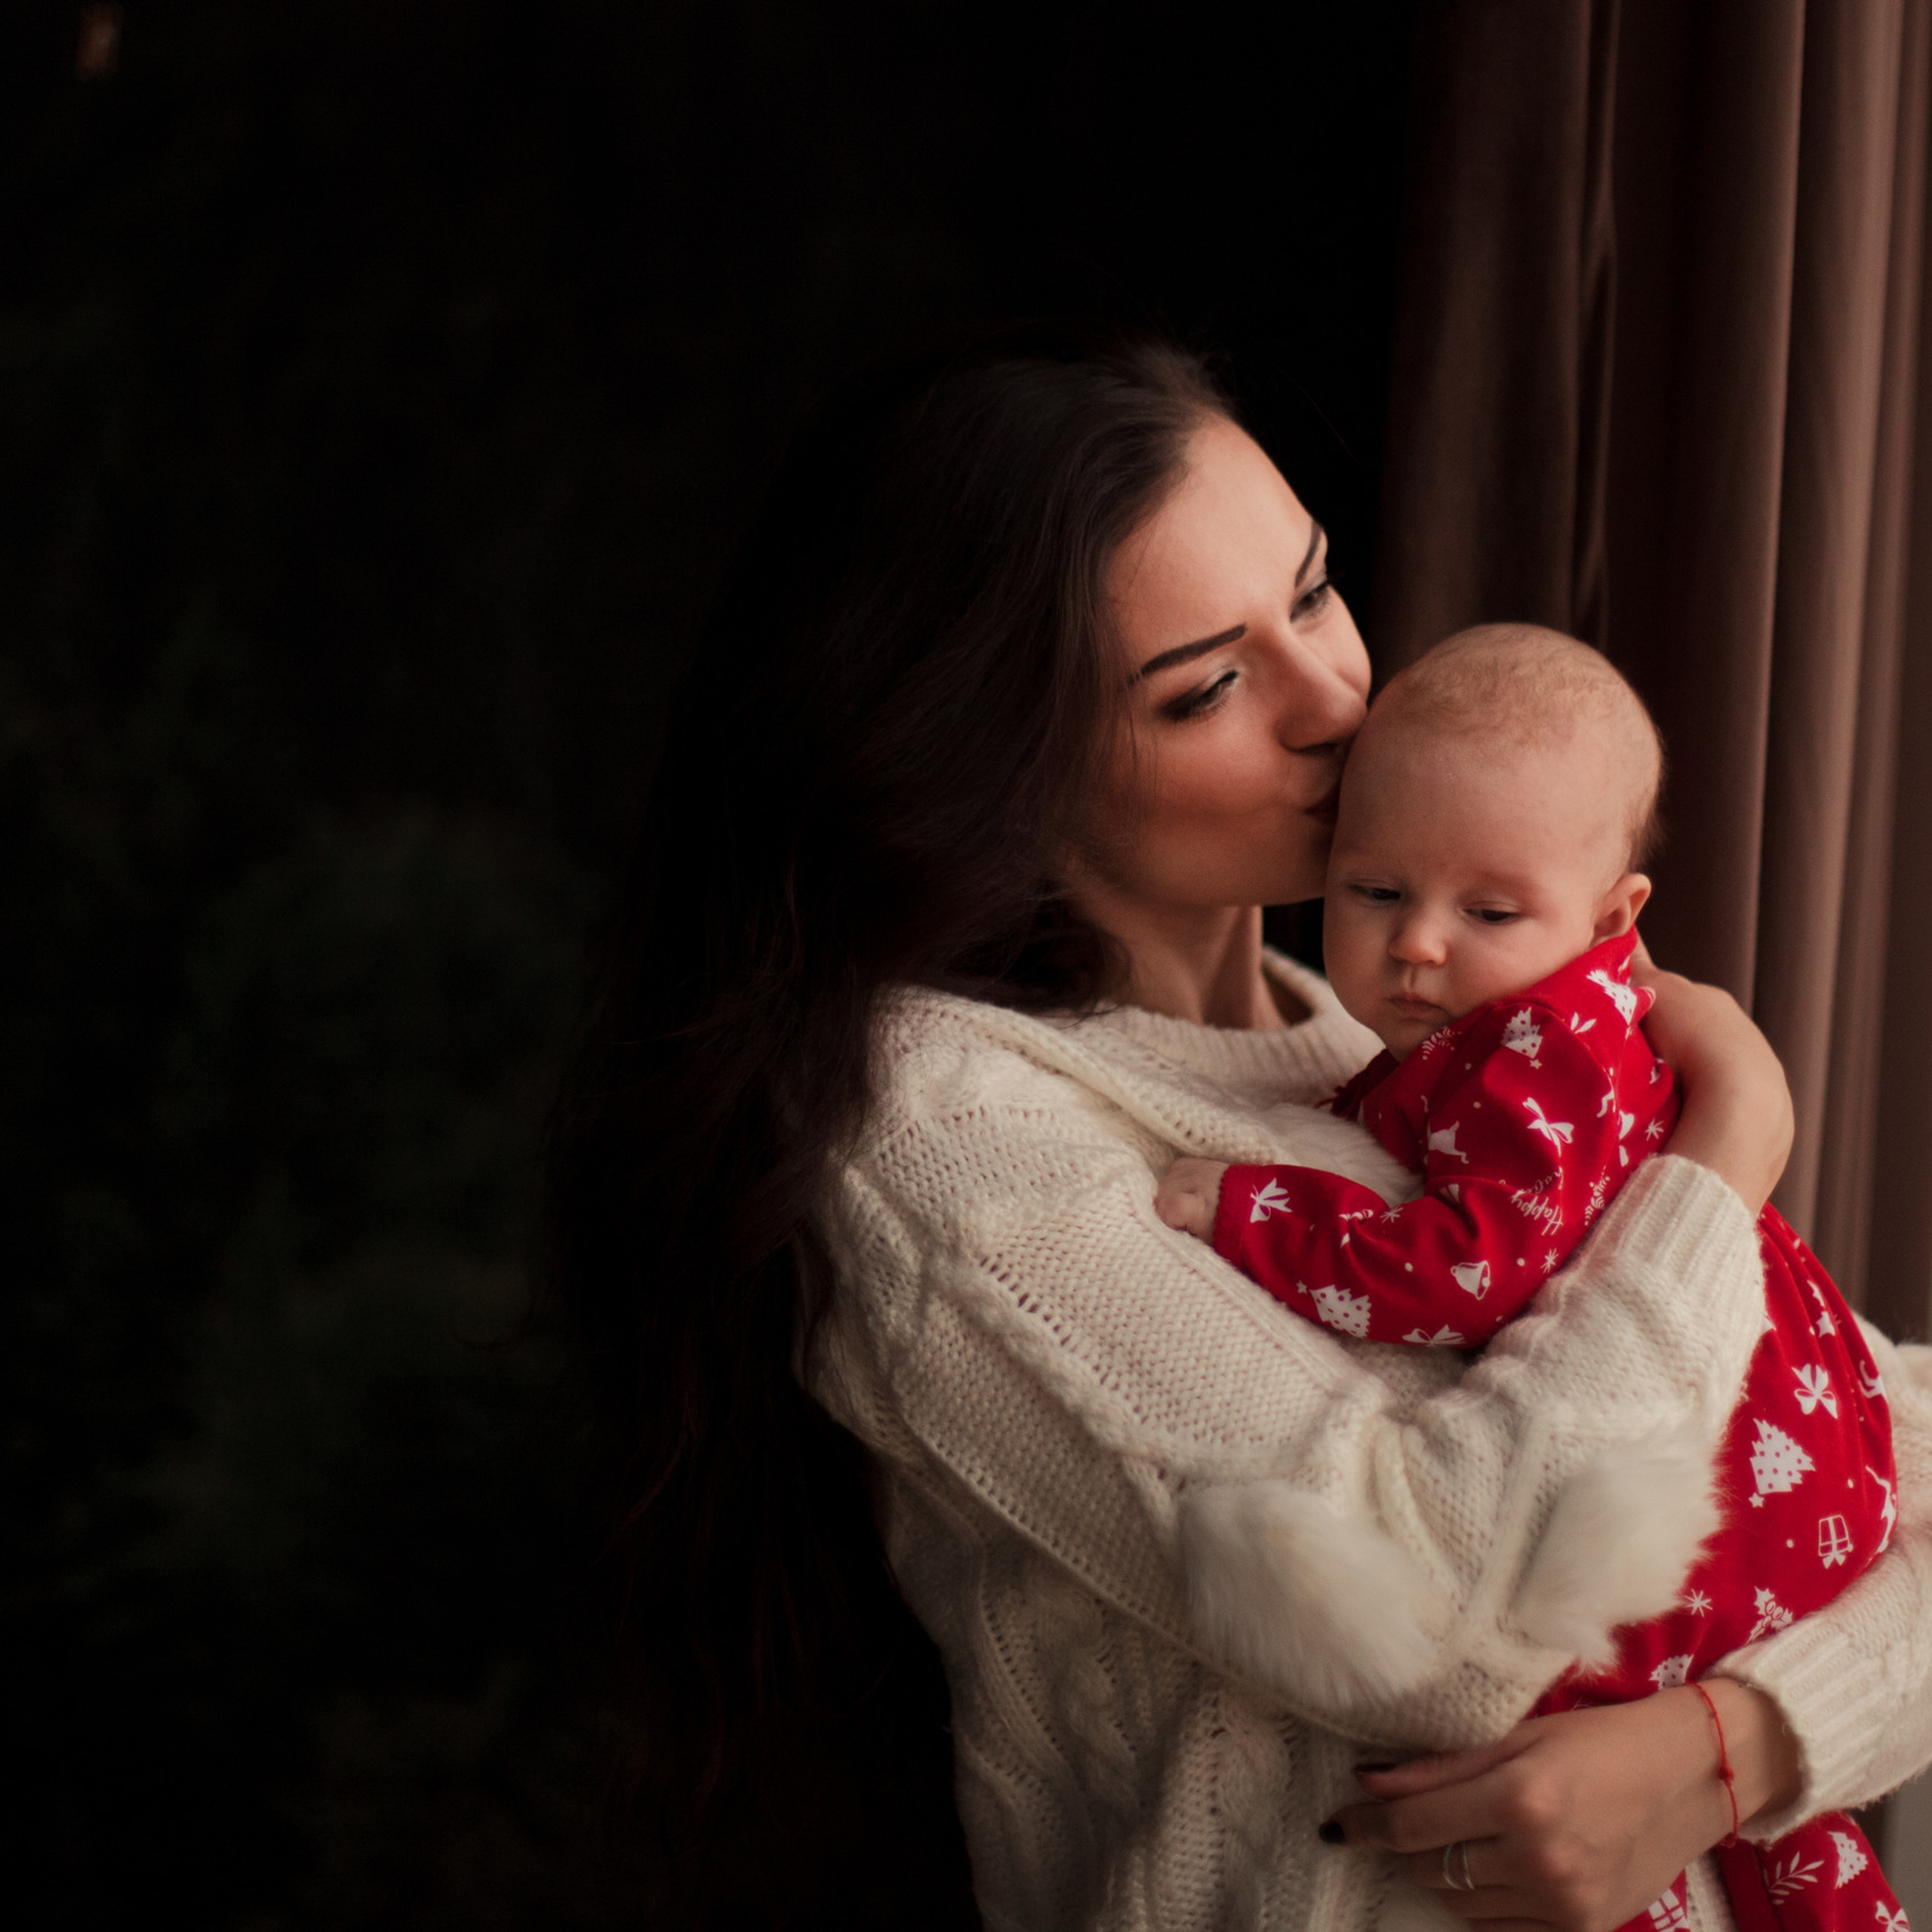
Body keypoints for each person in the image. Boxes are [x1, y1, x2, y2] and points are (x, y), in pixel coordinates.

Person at [546, 324, 1932, 1930]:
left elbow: (1863, 1449)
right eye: (1208, 683)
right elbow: (1443, 1626)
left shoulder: (1395, 1035)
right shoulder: (942, 1139)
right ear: (989, 764)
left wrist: (1731, 1747)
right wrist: (1723, 1142)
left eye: (1316, 590)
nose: (1336, 700)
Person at [1155, 626, 1900, 1932]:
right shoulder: (1485, 1027)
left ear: (1615, 921)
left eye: (1490, 912)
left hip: (1764, 1476)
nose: (1420, 948)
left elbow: (1464, 1274)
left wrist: (1251, 1206)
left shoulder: (1542, 1052)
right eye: (1376, 891)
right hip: (1802, 1457)